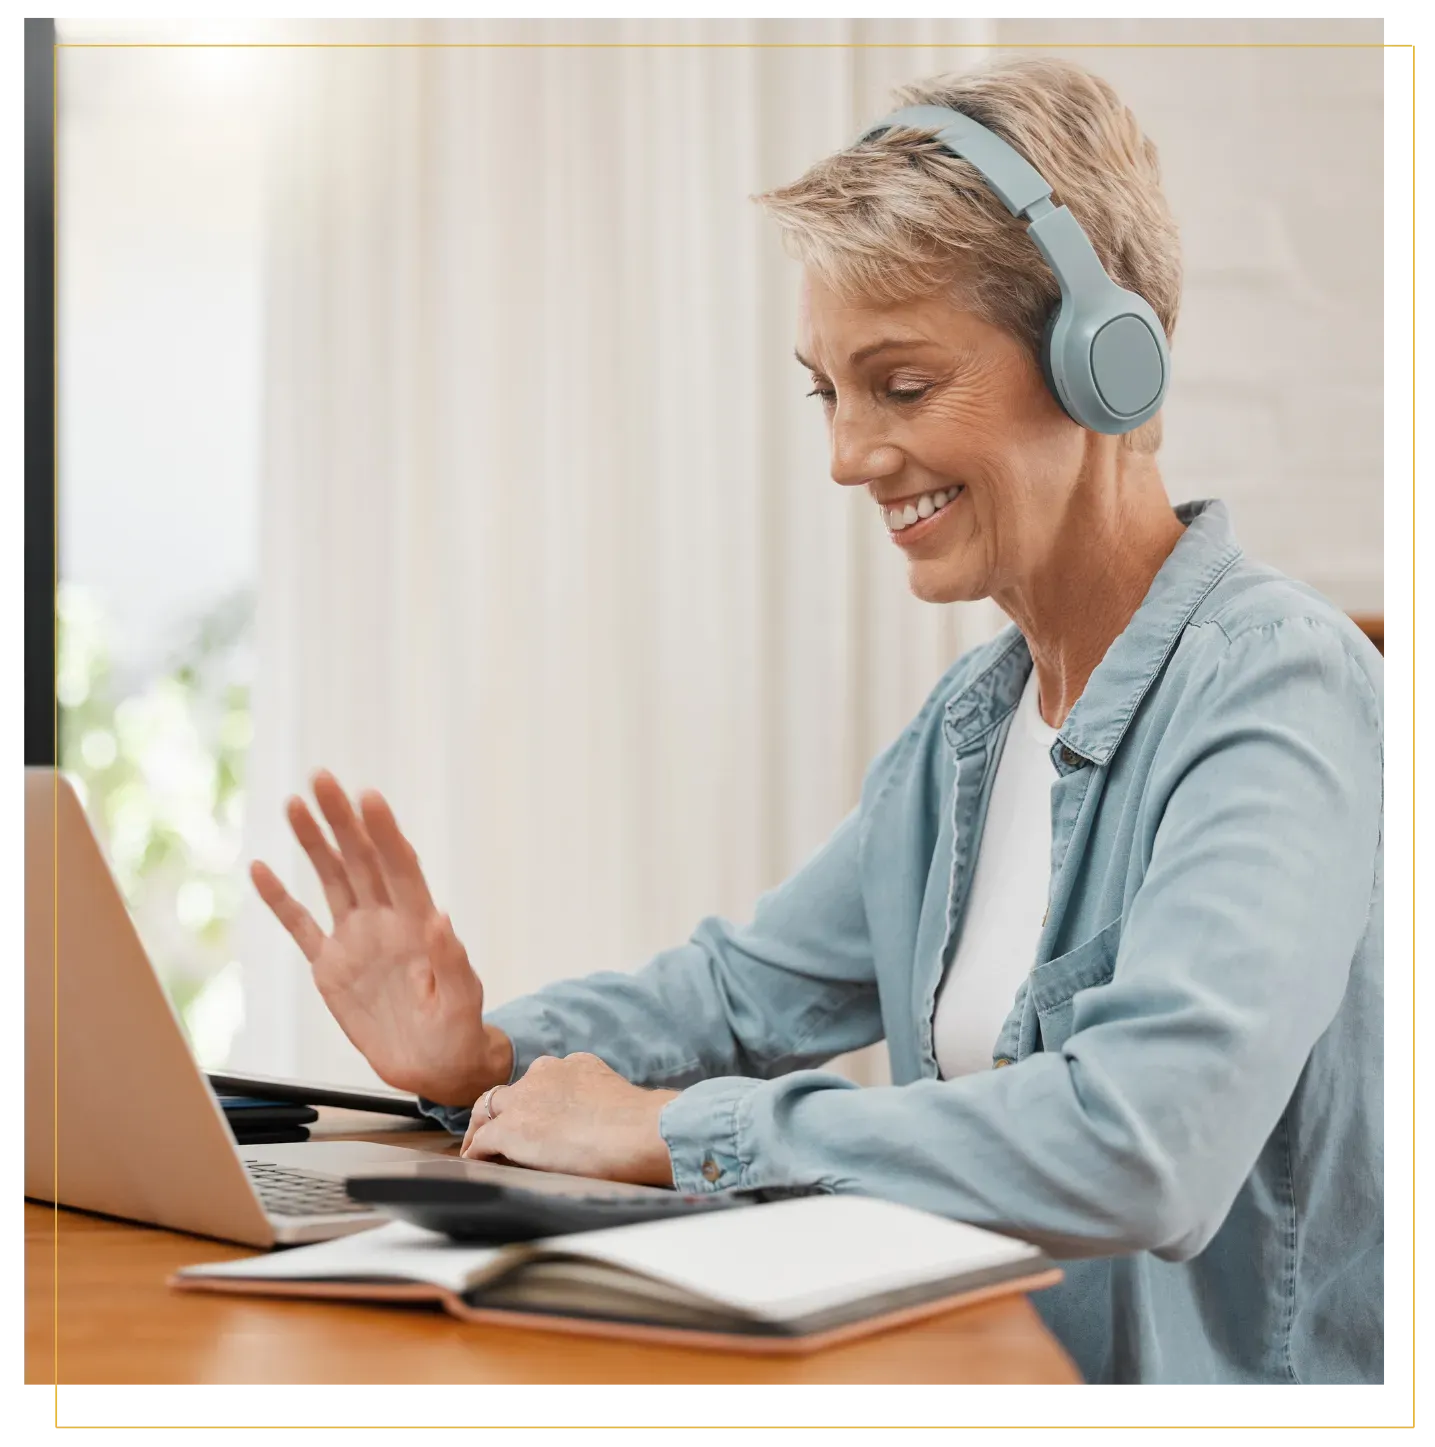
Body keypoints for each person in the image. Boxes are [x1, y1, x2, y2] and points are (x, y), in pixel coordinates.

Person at [250, 58, 1389, 1390]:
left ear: (1105, 362)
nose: (848, 453)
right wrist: (489, 1053)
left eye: (899, 386)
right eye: (825, 392)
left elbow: (1146, 1142)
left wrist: (683, 1132)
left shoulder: (1276, 688)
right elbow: (739, 989)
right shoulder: (971, 729)